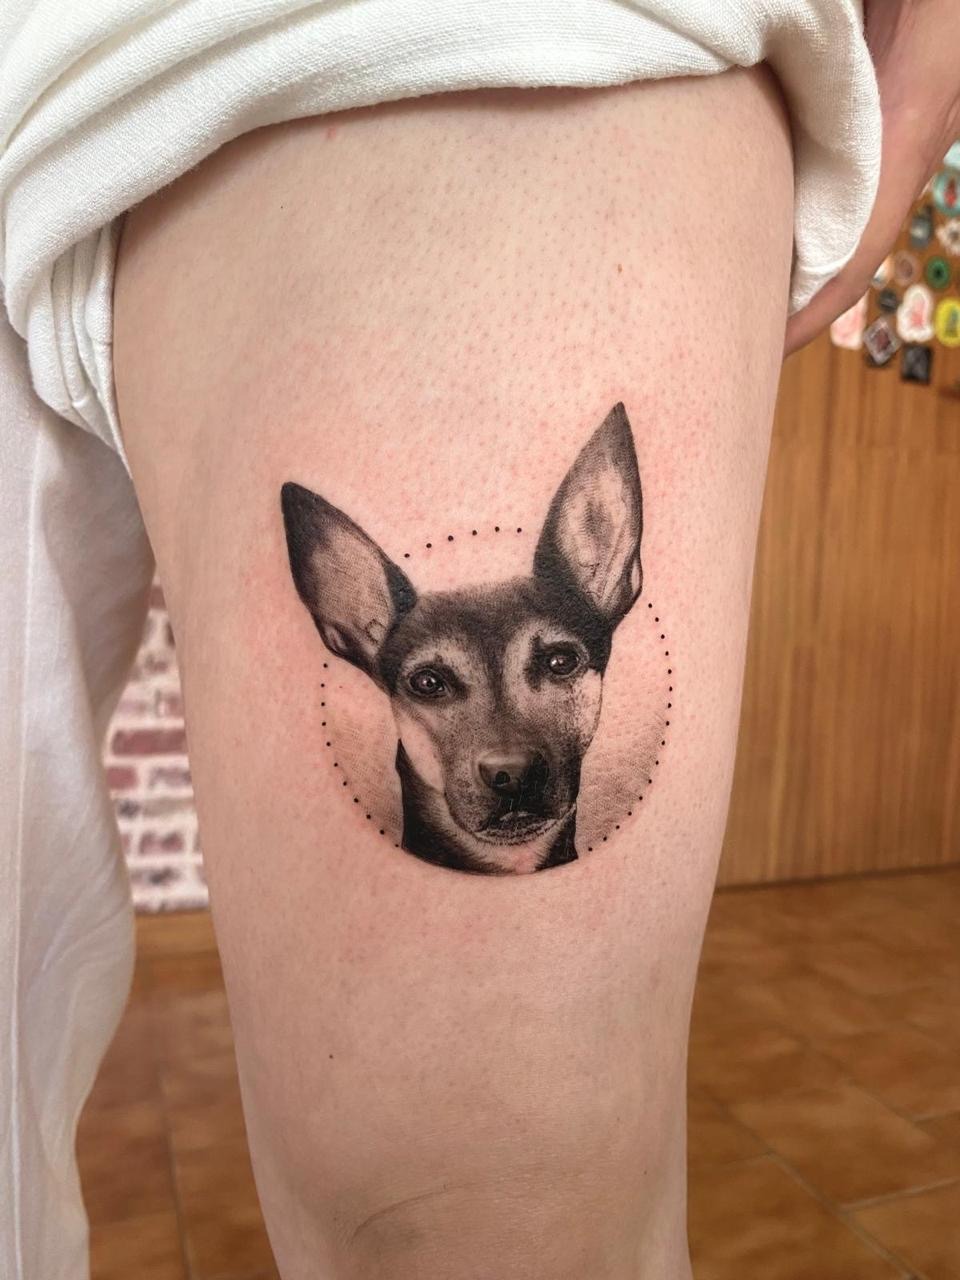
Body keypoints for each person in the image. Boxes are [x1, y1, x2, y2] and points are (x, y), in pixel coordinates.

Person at [1, 3, 957, 1277]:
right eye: (438, 685)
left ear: (611, 572)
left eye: (556, 661)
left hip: (413, 33)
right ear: (352, 629)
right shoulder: (374, 616)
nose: (504, 746)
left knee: (480, 1218)